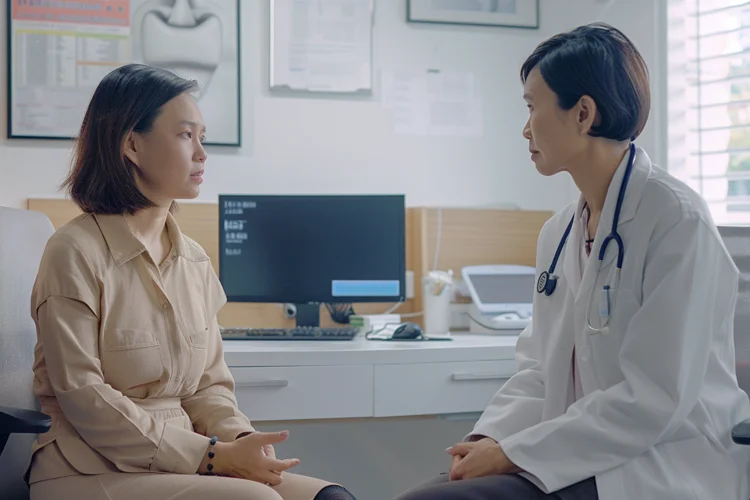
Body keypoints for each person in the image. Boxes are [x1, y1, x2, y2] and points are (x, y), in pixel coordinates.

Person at [395, 22, 750, 500]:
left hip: (666, 459)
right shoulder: (559, 232)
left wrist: (517, 454)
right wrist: (490, 438)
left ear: (583, 113)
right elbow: (540, 369)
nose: (525, 128)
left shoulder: (677, 221)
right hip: (575, 448)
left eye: (531, 106)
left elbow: (655, 399)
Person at [26, 64, 356, 500]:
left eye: (203, 137)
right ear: (131, 145)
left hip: (187, 463)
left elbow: (208, 388)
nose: (202, 153)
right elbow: (84, 398)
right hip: (85, 468)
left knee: (330, 497)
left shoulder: (194, 261)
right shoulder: (74, 252)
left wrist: (238, 442)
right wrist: (213, 457)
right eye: (185, 135)